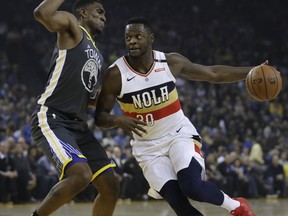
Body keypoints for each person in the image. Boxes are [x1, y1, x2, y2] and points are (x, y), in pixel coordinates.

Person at [94, 17, 266, 216]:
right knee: (180, 206)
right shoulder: (115, 74)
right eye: (128, 37)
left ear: (151, 39)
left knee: (192, 187)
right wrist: (117, 119)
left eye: (138, 36)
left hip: (178, 135)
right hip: (148, 148)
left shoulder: (169, 62)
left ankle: (237, 207)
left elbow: (213, 73)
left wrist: (252, 71)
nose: (132, 41)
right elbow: (100, 117)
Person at [30, 0, 119, 215]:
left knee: (111, 186)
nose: (104, 17)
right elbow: (42, 13)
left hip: (78, 125)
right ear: (83, 12)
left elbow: (88, 99)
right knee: (81, 175)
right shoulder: (73, 27)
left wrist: (119, 92)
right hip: (52, 117)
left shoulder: (97, 55)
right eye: (99, 12)